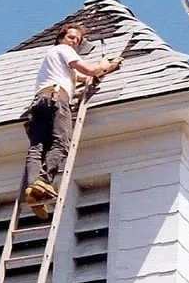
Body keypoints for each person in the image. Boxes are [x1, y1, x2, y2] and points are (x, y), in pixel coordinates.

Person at [22, 23, 123, 218]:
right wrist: (102, 65)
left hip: (40, 101)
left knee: (37, 147)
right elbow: (89, 70)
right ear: (61, 38)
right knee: (61, 143)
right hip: (56, 98)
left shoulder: (55, 60)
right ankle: (43, 181)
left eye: (77, 40)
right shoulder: (63, 49)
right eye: (71, 37)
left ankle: (33, 190)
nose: (74, 42)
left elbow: (84, 78)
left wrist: (108, 68)